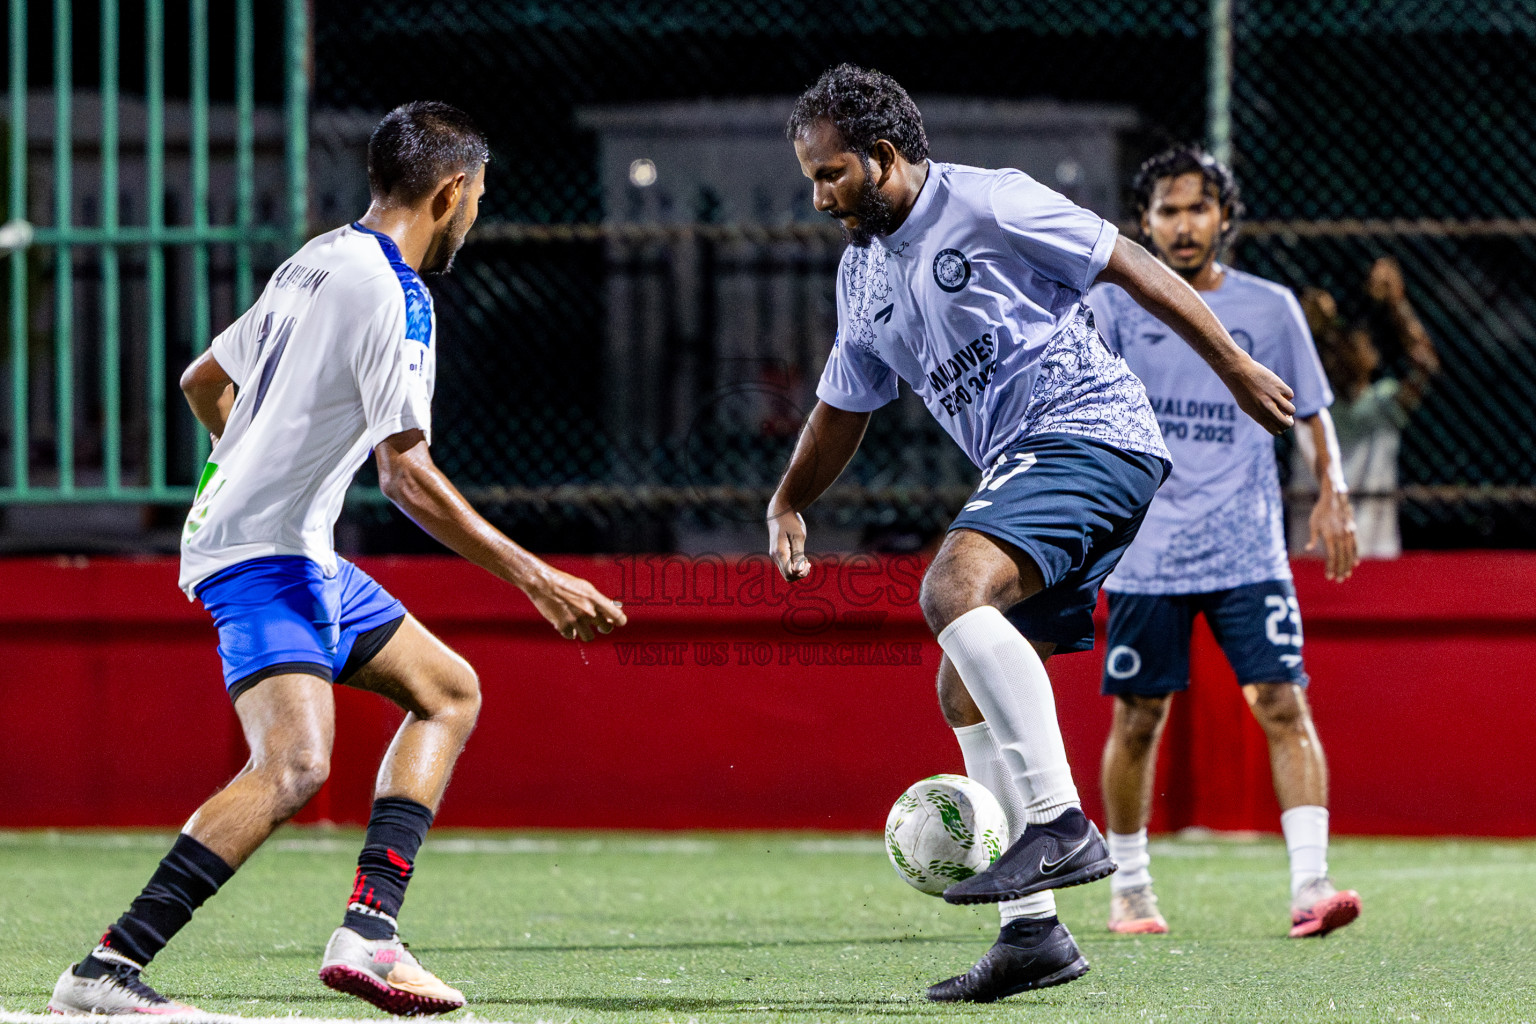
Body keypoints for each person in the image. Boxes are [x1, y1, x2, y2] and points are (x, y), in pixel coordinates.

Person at [47, 101, 626, 1017]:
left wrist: (250, 464)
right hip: (264, 554)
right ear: (450, 190)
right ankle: (104, 970)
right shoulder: (396, 292)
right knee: (294, 766)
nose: (475, 216)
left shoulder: (316, 256)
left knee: (447, 691)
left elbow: (206, 378)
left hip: (283, 546)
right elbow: (407, 476)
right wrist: (537, 577)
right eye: (476, 198)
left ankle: (371, 934)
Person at [768, 65, 1295, 1003]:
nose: (818, 196)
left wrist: (1231, 366)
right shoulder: (861, 274)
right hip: (1040, 461)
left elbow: (1128, 261)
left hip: (1090, 433)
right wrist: (789, 498)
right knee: (961, 686)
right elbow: (844, 405)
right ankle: (1033, 936)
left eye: (832, 173)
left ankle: (1059, 823)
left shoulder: (989, 202)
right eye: (811, 176)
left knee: (949, 592)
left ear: (886, 158)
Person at [1089, 146, 1362, 940]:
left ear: (1223, 217)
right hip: (1146, 551)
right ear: (1143, 222)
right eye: (1167, 210)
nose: (1182, 224)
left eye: (1197, 207)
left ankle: (1312, 884)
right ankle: (1130, 889)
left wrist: (1333, 491)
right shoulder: (1111, 309)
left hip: (1248, 550)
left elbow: (1314, 410)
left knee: (1283, 702)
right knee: (1139, 717)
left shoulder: (1272, 308)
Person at [1291, 258, 1440, 557]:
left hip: (1374, 546)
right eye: (1340, 345)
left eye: (1358, 346)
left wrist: (1397, 303)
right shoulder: (1306, 397)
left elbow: (1425, 363)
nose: (1348, 353)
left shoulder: (1384, 401)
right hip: (1312, 548)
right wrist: (1303, 324)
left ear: (1372, 358)